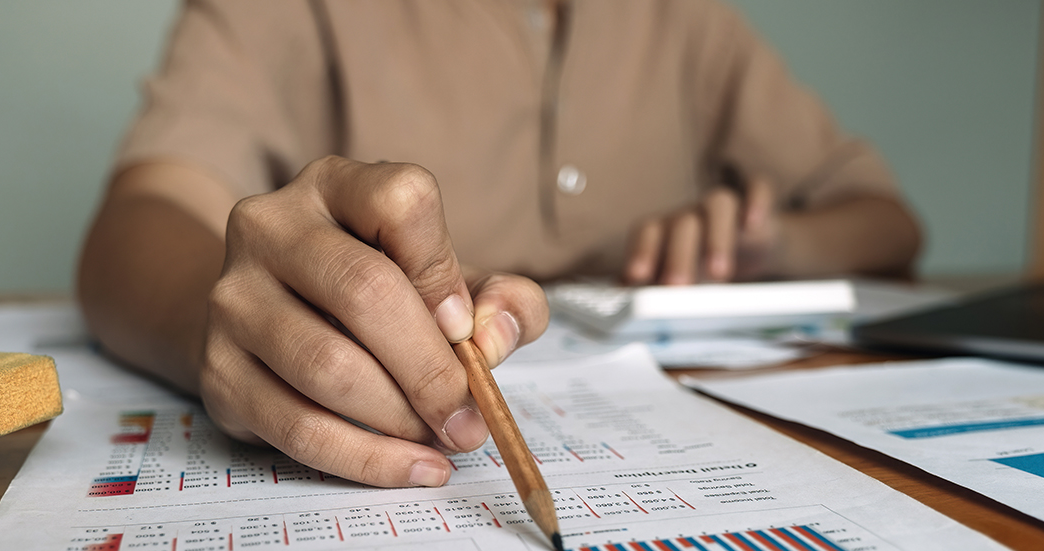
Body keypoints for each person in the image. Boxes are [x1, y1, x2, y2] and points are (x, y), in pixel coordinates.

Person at [77, 0, 922, 491]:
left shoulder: (688, 20)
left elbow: (888, 223)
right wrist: (236, 331)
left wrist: (769, 247)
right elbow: (142, 216)